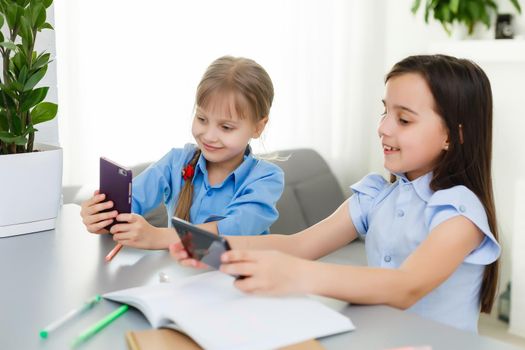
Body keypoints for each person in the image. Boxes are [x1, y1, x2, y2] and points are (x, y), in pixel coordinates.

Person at [171, 54, 500, 333]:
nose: (384, 127)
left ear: (452, 135)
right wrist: (209, 247)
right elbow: (298, 245)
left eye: (403, 119)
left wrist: (296, 275)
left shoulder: (460, 214)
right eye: (385, 112)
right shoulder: (376, 196)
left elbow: (406, 287)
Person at [80, 56, 284, 249]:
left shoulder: (267, 178)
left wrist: (158, 237)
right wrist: (103, 218)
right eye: (202, 119)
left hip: (239, 282)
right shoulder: (176, 162)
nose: (209, 136)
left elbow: (233, 232)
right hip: (179, 280)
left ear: (258, 127)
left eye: (226, 127)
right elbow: (132, 203)